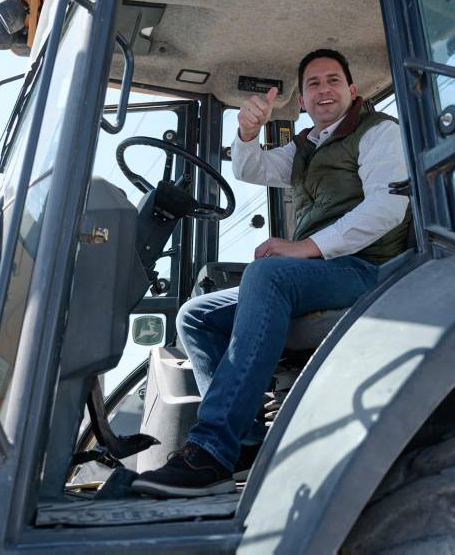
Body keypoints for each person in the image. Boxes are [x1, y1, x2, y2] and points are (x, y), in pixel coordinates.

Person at [132, 48, 410, 498]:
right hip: (321, 271)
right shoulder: (308, 147)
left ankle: (211, 448)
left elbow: (388, 209)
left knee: (268, 275)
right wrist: (246, 131)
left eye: (333, 80)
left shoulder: (379, 133)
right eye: (314, 84)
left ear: (352, 91)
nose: (324, 90)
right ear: (301, 101)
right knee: (195, 316)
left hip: (369, 268)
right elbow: (251, 168)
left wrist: (304, 247)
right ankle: (243, 444)